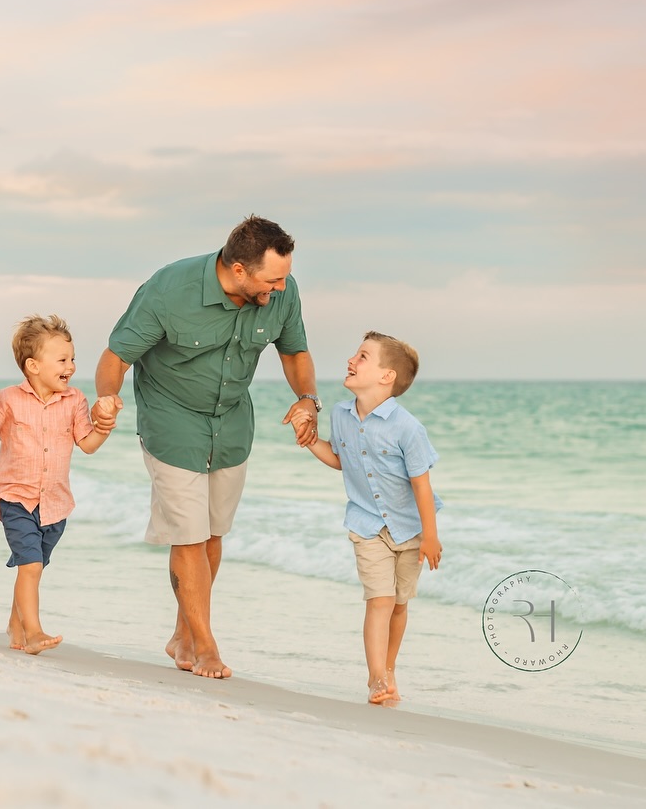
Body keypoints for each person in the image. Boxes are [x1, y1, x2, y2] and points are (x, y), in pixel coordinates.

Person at [93, 215, 320, 679]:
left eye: (284, 277)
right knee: (189, 535)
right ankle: (206, 646)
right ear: (239, 270)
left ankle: (183, 633)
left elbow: (294, 351)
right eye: (272, 279)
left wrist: (308, 401)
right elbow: (117, 355)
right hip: (171, 419)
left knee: (213, 534)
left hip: (233, 424)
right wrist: (107, 399)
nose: (280, 287)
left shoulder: (282, 291)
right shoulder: (168, 289)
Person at [304, 331, 442, 705]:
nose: (351, 360)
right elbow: (340, 461)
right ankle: (376, 678)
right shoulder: (339, 414)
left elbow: (422, 487)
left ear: (387, 377)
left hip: (411, 530)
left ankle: (390, 667)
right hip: (366, 525)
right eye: (355, 354)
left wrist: (431, 535)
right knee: (379, 600)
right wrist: (310, 440)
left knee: (399, 603)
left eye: (363, 356)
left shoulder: (408, 428)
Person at [0, 315, 116, 655]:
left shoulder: (75, 400)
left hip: (55, 503)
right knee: (30, 565)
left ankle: (15, 624)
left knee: (32, 567)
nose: (71, 366)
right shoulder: (8, 399)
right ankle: (33, 632)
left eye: (72, 359)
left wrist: (104, 426)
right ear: (33, 366)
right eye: (62, 360)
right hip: (15, 498)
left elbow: (88, 444)